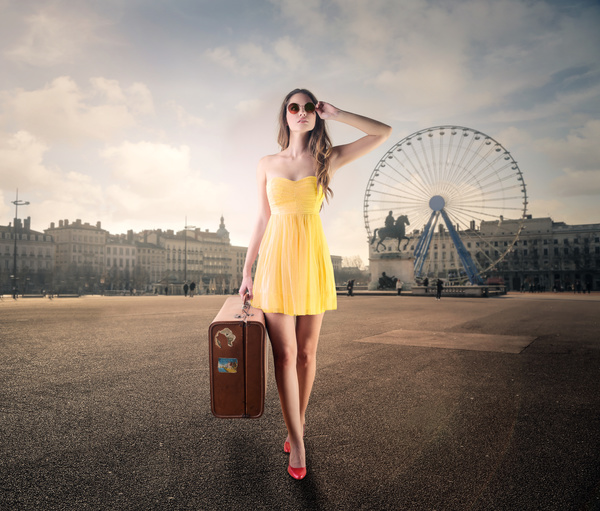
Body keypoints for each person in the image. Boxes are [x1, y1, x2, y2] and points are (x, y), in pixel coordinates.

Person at [239, 88, 391, 480]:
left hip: (311, 261)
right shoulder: (266, 163)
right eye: (295, 107)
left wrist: (338, 113)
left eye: (309, 107)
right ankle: (298, 439)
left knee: (306, 354)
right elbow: (261, 218)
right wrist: (246, 271)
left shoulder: (329, 158)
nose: (302, 112)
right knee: (285, 355)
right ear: (285, 116)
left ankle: (297, 424)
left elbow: (382, 132)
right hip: (274, 262)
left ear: (315, 114)